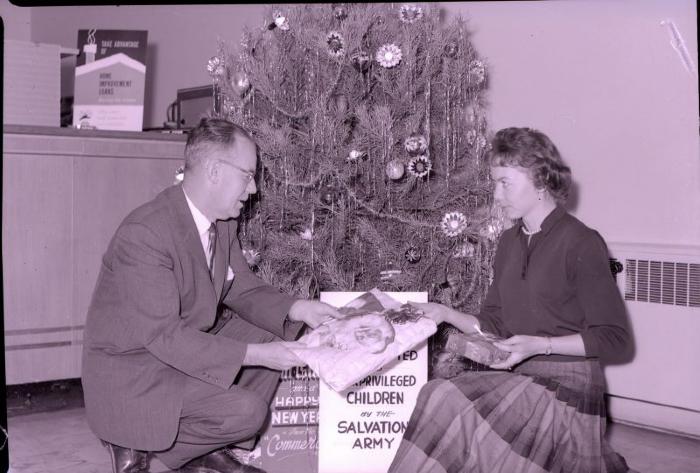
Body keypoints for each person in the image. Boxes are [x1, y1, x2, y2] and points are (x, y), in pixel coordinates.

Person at [81, 117, 342, 473]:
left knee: (275, 330)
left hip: (177, 349)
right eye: (248, 176)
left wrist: (299, 309)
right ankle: (132, 439)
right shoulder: (145, 234)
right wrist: (257, 355)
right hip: (134, 370)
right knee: (249, 411)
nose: (253, 191)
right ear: (215, 171)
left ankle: (208, 448)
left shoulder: (222, 222)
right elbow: (164, 337)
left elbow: (243, 288)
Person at [388, 127, 635, 473]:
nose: (496, 195)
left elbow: (615, 340)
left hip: (568, 388)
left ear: (540, 180)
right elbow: (495, 324)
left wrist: (541, 345)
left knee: (450, 400)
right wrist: (443, 312)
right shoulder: (508, 242)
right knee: (435, 393)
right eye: (494, 183)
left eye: (505, 183)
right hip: (521, 378)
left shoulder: (582, 242)